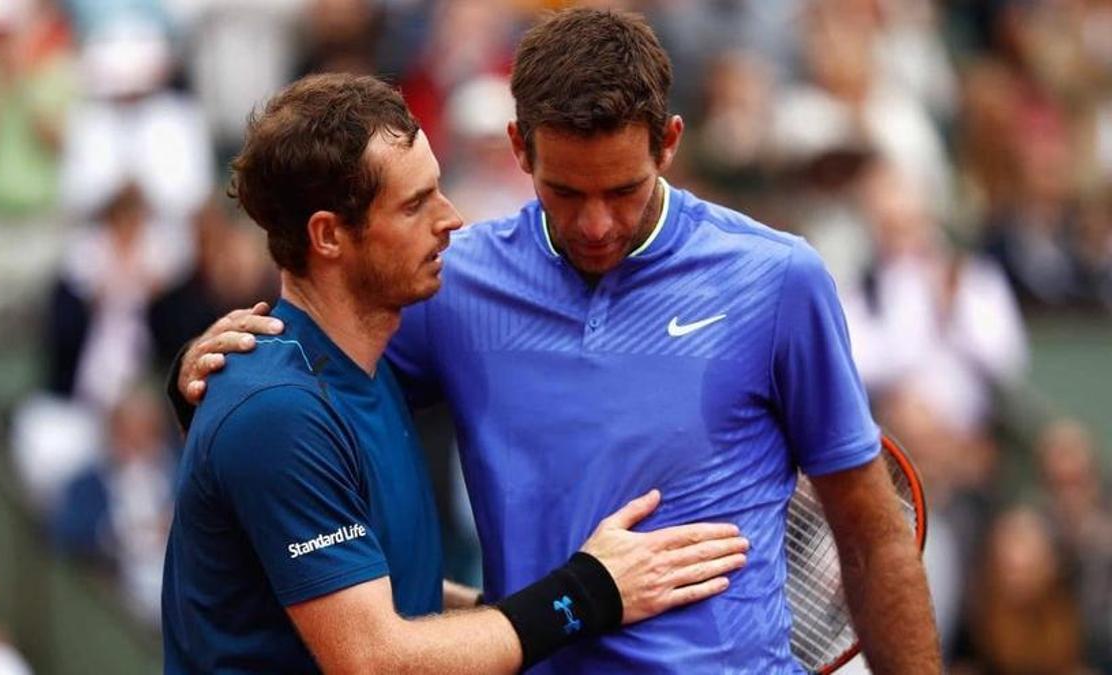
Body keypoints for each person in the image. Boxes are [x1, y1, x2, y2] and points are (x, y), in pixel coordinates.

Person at [174, 9, 940, 673]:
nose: (597, 223)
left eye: (624, 191)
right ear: (519, 147)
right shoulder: (449, 282)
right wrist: (209, 379)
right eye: (566, 192)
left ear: (669, 142)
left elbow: (872, 533)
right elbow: (314, 390)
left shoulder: (779, 280)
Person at [161, 72, 749, 674]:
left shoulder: (360, 371)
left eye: (437, 190)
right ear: (328, 235)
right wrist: (589, 591)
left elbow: (358, 586)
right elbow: (374, 659)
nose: (452, 220)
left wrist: (511, 613)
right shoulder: (280, 411)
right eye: (415, 204)